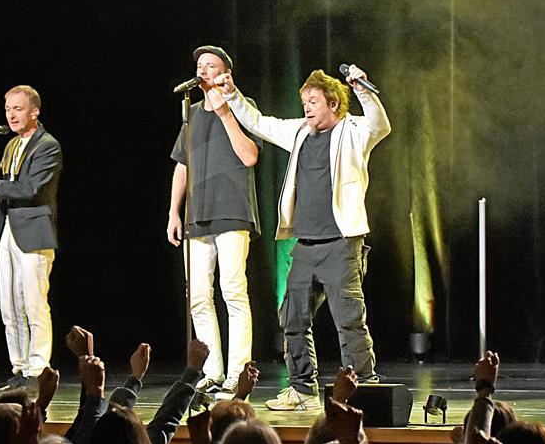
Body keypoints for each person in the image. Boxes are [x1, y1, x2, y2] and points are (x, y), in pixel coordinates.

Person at [217, 64, 391, 411]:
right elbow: (258, 123)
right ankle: (302, 388)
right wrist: (232, 94)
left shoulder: (353, 132)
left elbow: (380, 124)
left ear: (333, 105)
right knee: (292, 319)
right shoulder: (298, 133)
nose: (307, 108)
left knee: (349, 321)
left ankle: (363, 390)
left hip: (342, 244)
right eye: (305, 102)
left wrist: (360, 88)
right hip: (306, 246)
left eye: (313, 101)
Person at [167, 45, 261, 397]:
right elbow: (182, 165)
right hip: (197, 215)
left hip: (232, 210)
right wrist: (174, 211)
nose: (203, 70)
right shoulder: (190, 113)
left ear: (226, 73)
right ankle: (210, 371)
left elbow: (250, 156)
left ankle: (238, 374)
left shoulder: (241, 105)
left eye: (211, 65)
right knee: (198, 297)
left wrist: (225, 113)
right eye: (200, 66)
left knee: (233, 292)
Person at [0, 85, 63, 389]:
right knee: (9, 304)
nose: (11, 114)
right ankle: (19, 367)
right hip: (8, 227)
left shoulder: (47, 145)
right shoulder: (11, 146)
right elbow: (3, 176)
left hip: (34, 230)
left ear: (35, 111)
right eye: (8, 108)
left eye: (18, 108)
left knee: (34, 302)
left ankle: (38, 368)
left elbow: (29, 189)